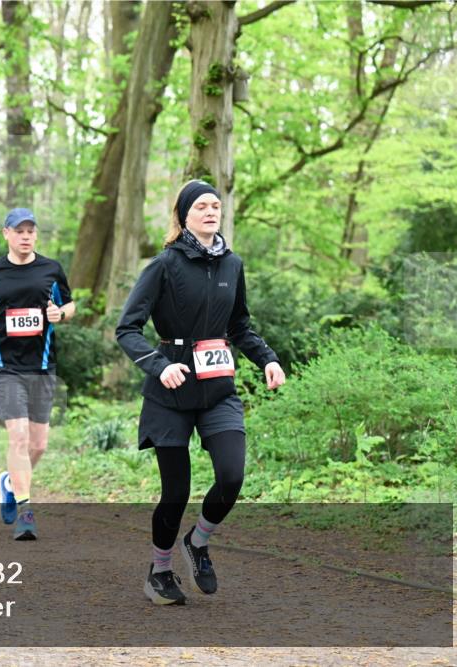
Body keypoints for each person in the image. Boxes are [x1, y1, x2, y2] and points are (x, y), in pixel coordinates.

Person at [116, 180, 287, 606]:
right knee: (175, 492)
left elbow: (240, 326)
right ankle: (159, 571)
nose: (212, 211)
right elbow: (127, 329)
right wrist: (160, 365)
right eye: (202, 206)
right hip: (170, 392)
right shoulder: (163, 265)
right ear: (184, 215)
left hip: (217, 390)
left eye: (216, 205)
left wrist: (267, 358)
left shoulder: (232, 264)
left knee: (231, 476)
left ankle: (198, 541)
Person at [0, 208, 75, 540]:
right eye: (19, 230)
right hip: (5, 366)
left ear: (36, 234)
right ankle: (26, 512)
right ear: (6, 233)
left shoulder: (51, 270)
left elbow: (70, 305)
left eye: (31, 231)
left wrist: (60, 314)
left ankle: (9, 483)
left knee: (39, 445)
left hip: (42, 366)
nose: (26, 236)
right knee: (20, 438)